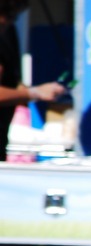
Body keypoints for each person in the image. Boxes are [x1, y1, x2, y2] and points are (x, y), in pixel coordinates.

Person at [0, 0, 65, 160]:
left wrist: (25, 91)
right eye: (7, 16)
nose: (8, 21)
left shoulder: (9, 33)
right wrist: (33, 93)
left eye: (13, 16)